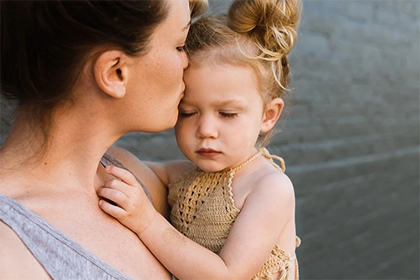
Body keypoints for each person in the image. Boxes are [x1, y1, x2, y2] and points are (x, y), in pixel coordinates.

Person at [0, 0, 207, 279]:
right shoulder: (9, 250)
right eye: (179, 46)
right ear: (115, 73)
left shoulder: (130, 176)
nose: (188, 62)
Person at [97, 0, 302, 279]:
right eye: (188, 112)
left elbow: (227, 275)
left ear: (268, 115)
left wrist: (146, 222)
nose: (205, 129)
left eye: (227, 114)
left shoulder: (269, 188)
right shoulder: (185, 177)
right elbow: (127, 165)